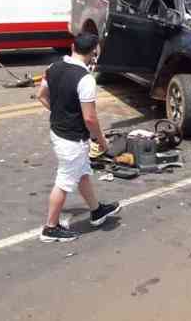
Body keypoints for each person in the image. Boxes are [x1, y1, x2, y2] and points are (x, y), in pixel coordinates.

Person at [37, 33, 121, 242]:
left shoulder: (52, 68)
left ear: (73, 46)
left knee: (83, 172)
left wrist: (59, 113)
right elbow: (90, 118)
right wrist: (102, 141)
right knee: (64, 182)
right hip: (72, 139)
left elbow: (41, 96)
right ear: (94, 52)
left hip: (58, 132)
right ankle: (50, 228)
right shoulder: (85, 79)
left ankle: (97, 211)